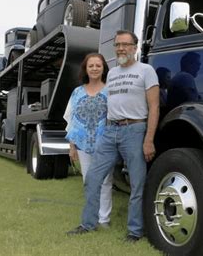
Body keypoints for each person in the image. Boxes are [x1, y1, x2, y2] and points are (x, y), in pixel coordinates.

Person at [67, 30, 160, 243]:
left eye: (125, 44)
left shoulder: (146, 71)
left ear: (135, 47)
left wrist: (149, 139)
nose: (121, 48)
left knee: (137, 183)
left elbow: (154, 107)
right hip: (110, 131)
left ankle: (135, 231)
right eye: (117, 44)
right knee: (92, 178)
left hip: (135, 130)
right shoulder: (113, 74)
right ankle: (88, 224)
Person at [63, 53, 113, 228]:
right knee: (88, 181)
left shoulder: (110, 91)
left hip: (105, 144)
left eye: (98, 65)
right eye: (90, 66)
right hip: (83, 144)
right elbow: (72, 121)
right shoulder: (77, 92)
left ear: (103, 68)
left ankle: (104, 219)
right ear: (85, 68)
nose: (94, 69)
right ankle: (92, 217)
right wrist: (72, 147)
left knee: (105, 181)